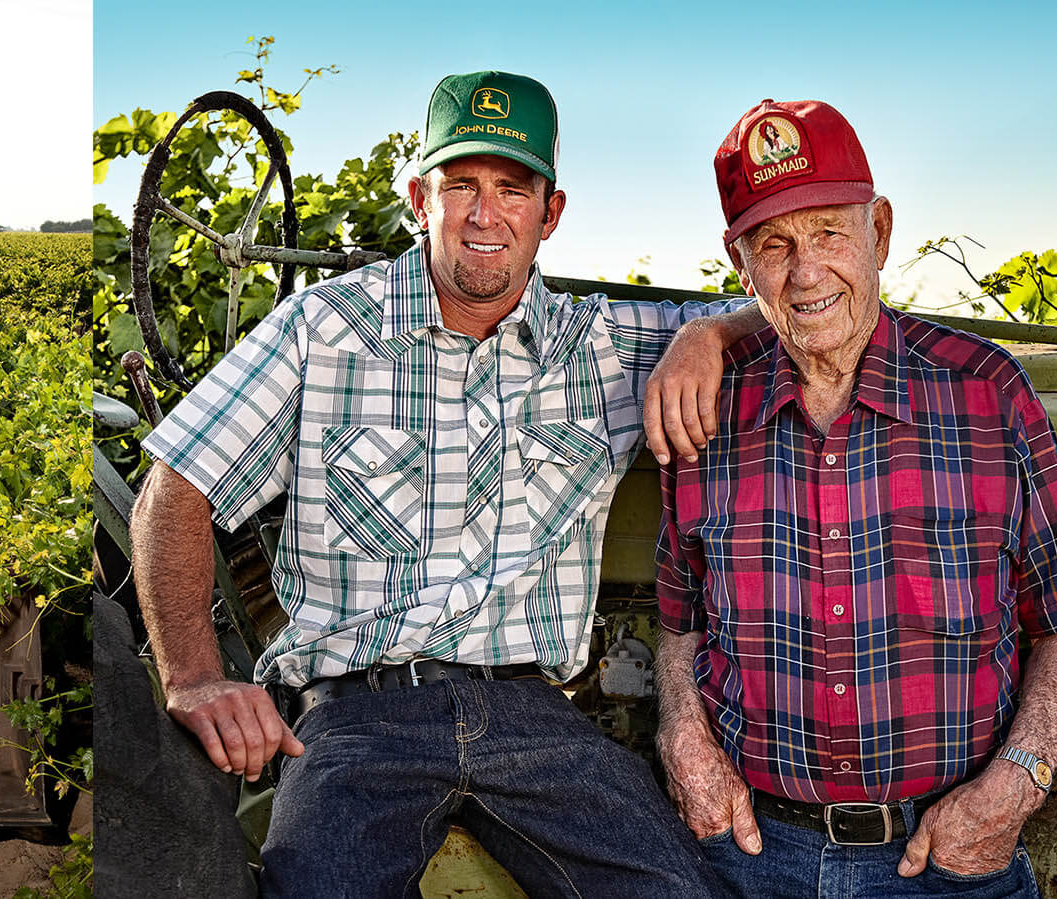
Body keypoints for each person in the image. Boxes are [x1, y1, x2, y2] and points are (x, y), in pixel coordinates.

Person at [129, 70, 767, 896]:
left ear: (551, 212)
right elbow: (175, 488)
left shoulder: (602, 343)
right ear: (418, 197)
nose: (483, 212)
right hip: (359, 719)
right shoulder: (323, 329)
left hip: (537, 720)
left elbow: (784, 306)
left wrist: (709, 332)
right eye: (459, 184)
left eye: (512, 188)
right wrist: (193, 675)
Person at [654, 99, 1057, 898]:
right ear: (739, 264)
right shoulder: (706, 411)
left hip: (953, 854)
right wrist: (682, 730)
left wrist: (1018, 784)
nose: (807, 271)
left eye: (829, 233)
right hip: (746, 855)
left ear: (879, 232)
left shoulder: (986, 392)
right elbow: (680, 624)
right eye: (774, 244)